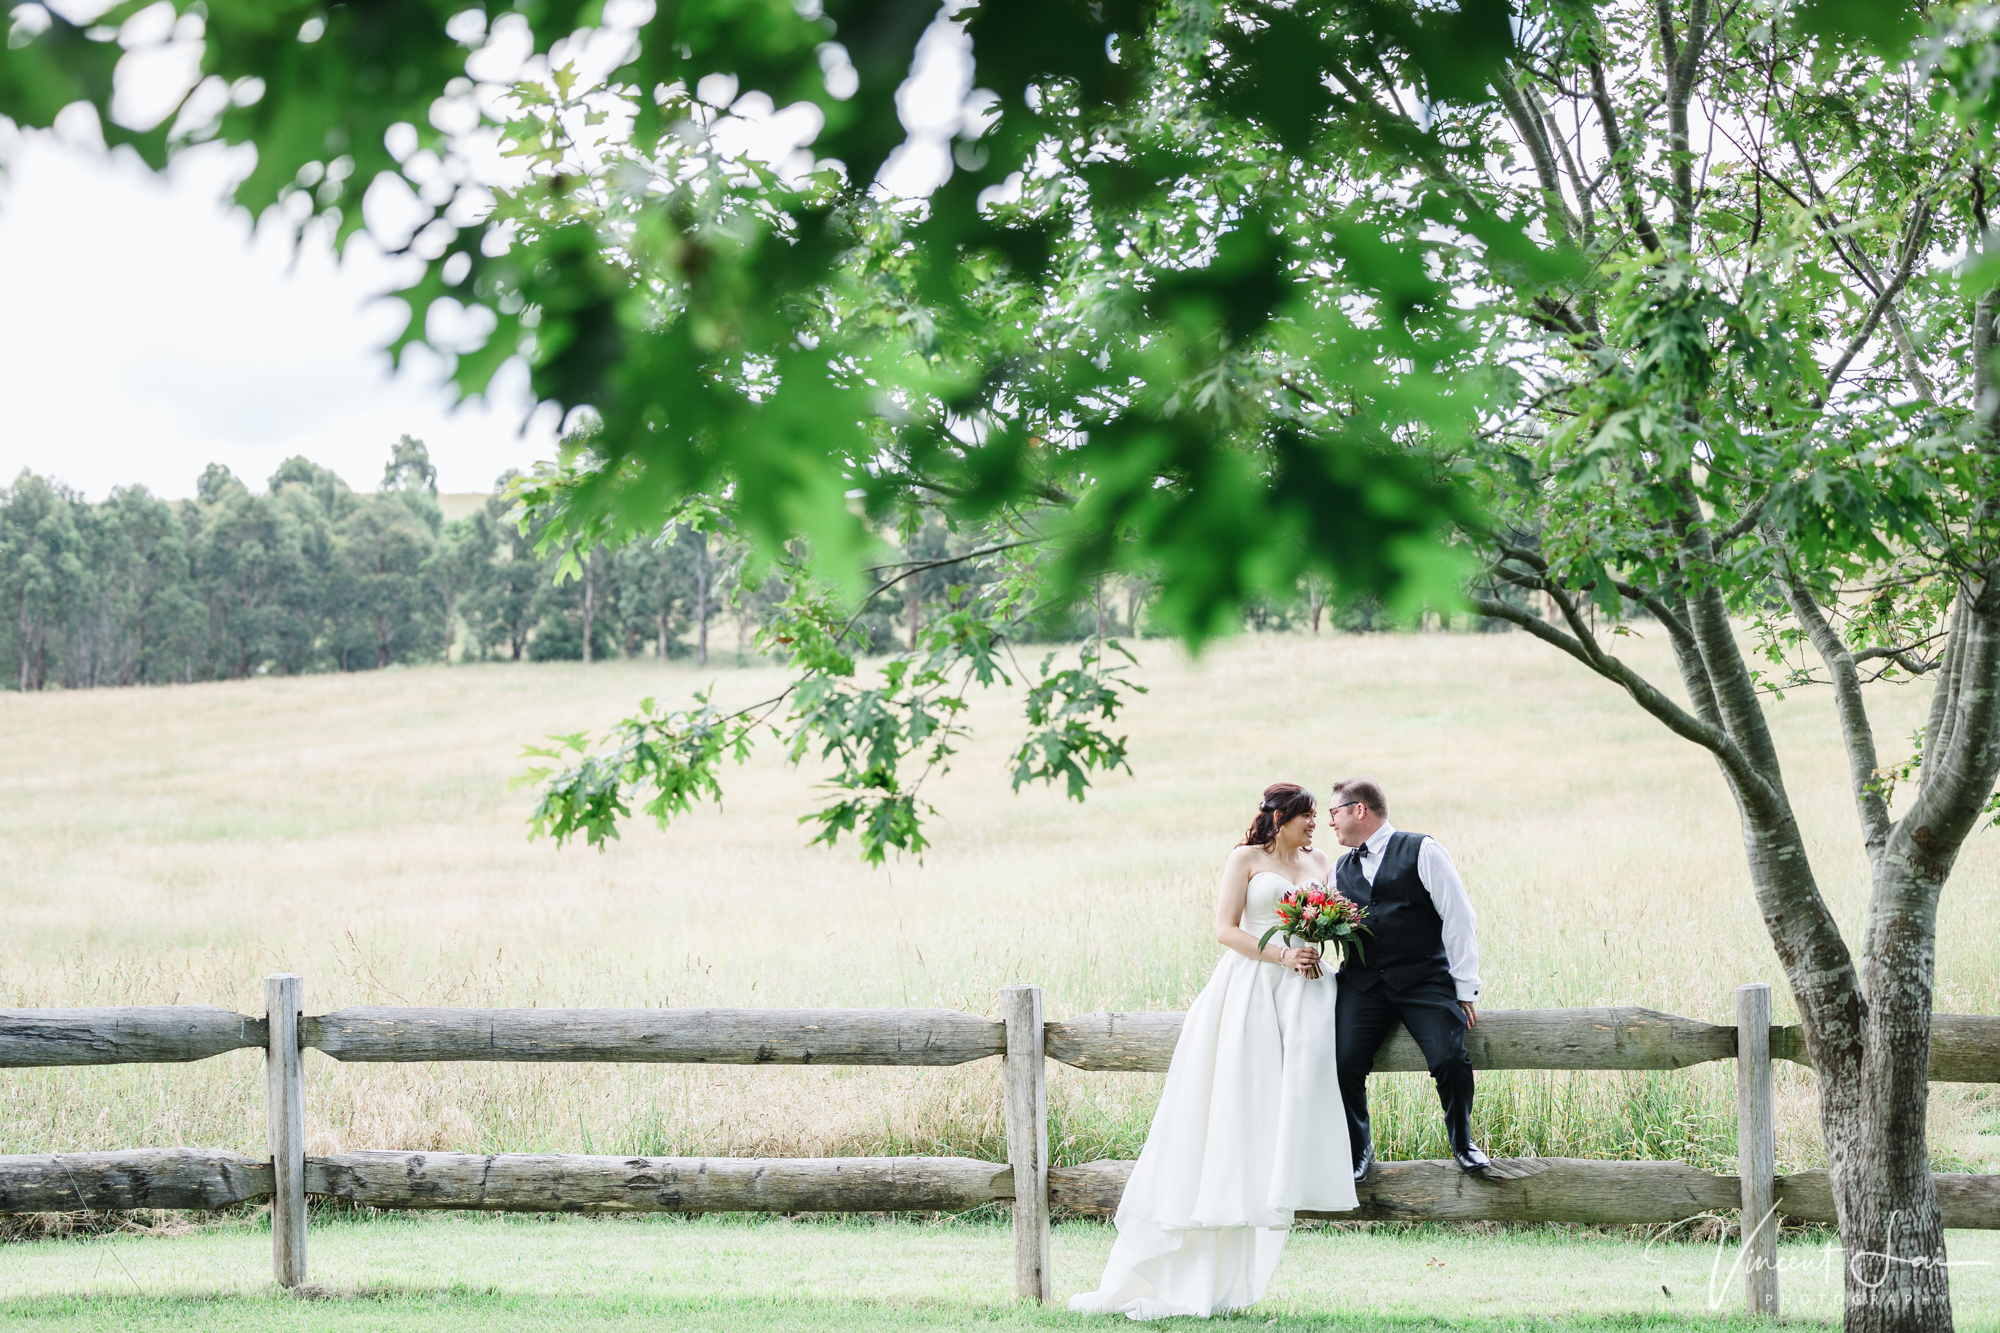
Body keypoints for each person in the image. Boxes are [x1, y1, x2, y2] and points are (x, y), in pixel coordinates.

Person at [1071, 782, 1357, 1320]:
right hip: (1249, 989)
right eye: (1307, 817)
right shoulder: (1244, 859)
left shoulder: (1321, 860)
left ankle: (1282, 1189)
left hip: (1308, 995)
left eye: (1319, 817)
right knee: (1235, 1107)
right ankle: (1190, 1260)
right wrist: (1281, 957)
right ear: (1280, 818)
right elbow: (1225, 931)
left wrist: (1318, 943)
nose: (1316, 826)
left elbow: (1331, 917)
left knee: (1287, 1106)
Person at [1325, 777, 1489, 1180]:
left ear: (1358, 810)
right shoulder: (1337, 871)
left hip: (1423, 981)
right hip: (1362, 985)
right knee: (1343, 1062)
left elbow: (1459, 917)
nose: (1330, 823)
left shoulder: (1423, 850)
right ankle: (1358, 1149)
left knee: (1450, 1057)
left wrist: (1465, 987)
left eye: (1334, 813)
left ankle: (1463, 1142)